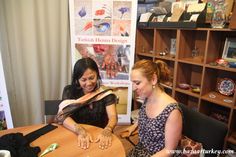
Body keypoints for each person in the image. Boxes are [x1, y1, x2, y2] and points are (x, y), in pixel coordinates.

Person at [120, 59, 182, 157]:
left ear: (153, 79)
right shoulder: (147, 97)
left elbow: (169, 151)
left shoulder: (172, 112)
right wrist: (134, 126)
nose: (133, 88)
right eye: (133, 83)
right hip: (142, 149)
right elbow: (146, 118)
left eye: (137, 83)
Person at [55, 57, 118, 150]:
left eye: (92, 78)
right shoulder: (69, 91)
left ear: (97, 74)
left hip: (100, 136)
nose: (88, 83)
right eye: (83, 80)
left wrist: (108, 129)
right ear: (77, 79)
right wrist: (80, 131)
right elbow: (64, 116)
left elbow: (113, 116)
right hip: (76, 134)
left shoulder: (105, 93)